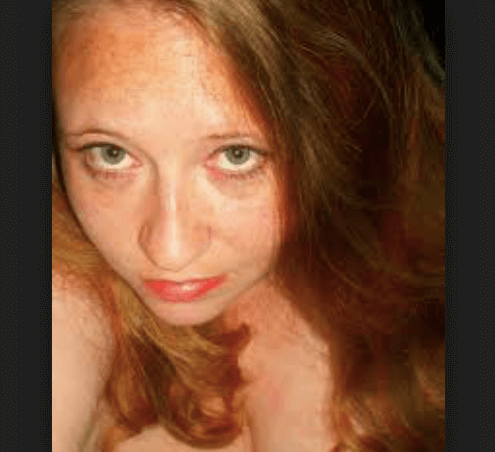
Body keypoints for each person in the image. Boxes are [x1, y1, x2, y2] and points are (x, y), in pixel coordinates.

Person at [52, 0, 445, 451]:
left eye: (236, 156)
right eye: (111, 154)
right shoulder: (69, 277)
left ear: (341, 124)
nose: (169, 250)